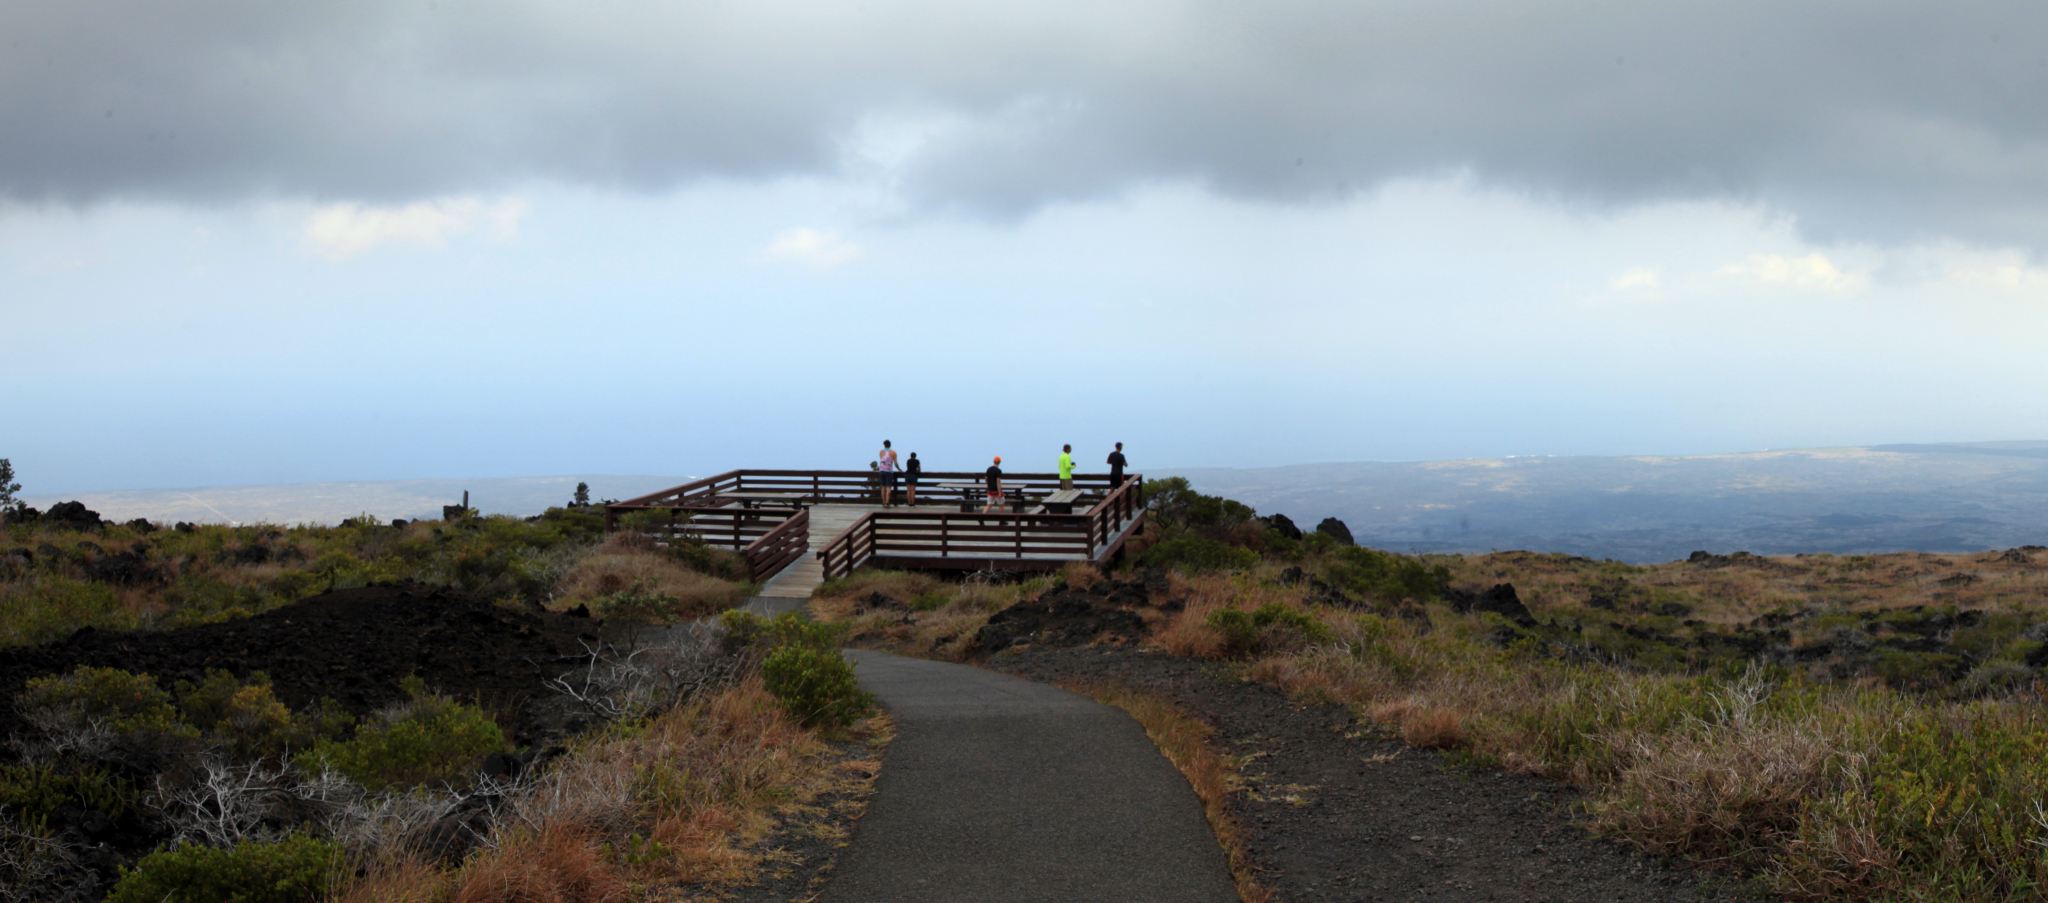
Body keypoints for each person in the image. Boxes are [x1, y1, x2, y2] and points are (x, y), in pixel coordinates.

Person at [878, 440, 900, 506]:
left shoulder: (881, 452)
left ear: (884, 445)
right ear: (890, 445)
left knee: (883, 487)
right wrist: (899, 469)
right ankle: (887, 502)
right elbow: (896, 463)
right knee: (889, 487)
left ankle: (883, 502)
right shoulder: (893, 452)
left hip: (882, 470)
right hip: (889, 471)